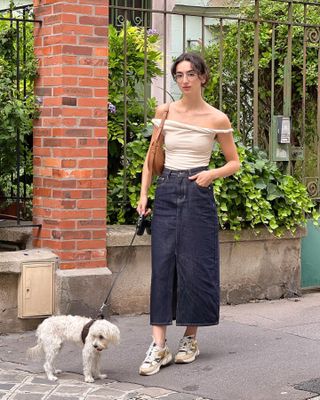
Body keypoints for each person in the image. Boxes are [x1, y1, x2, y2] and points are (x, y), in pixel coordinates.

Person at [136, 52, 240, 376]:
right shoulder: (164, 112)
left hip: (198, 189)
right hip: (166, 190)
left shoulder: (216, 119)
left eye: (191, 73)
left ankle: (190, 339)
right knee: (163, 266)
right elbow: (150, 158)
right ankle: (158, 346)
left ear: (203, 77)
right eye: (179, 74)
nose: (185, 80)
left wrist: (212, 174)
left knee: (195, 266)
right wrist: (143, 195)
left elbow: (234, 161)